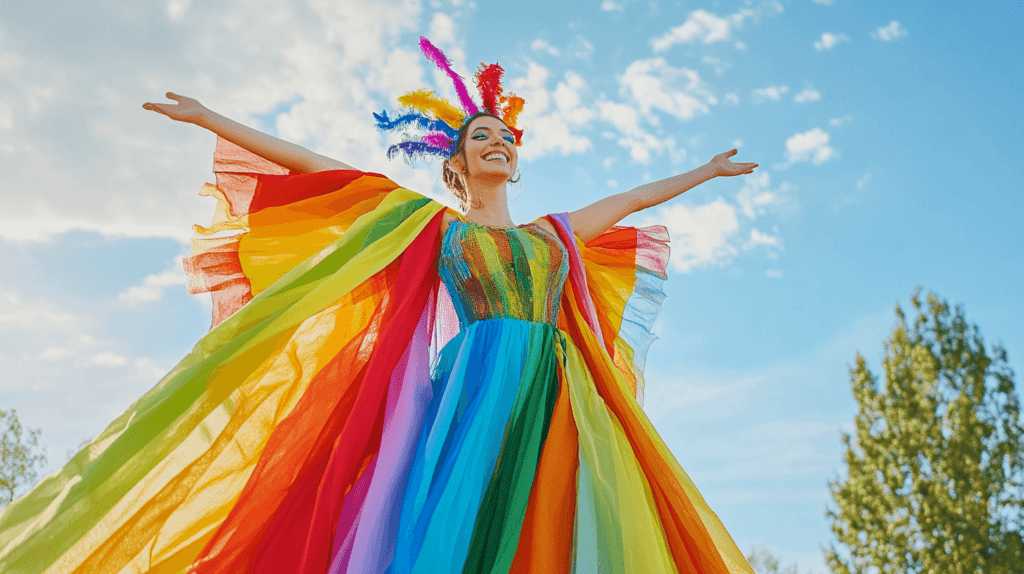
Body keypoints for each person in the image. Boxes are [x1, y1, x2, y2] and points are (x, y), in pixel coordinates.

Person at [0, 38, 757, 574]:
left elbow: (632, 197)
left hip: (561, 390)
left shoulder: (554, 234)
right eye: (481, 137)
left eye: (505, 138)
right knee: (455, 521)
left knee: (559, 514)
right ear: (457, 163)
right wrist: (212, 120)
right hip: (476, 386)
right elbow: (324, 170)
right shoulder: (435, 226)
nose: (497, 143)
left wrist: (706, 171)